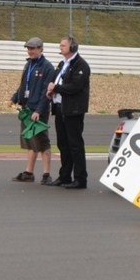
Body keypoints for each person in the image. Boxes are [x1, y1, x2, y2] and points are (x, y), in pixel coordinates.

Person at [47, 35, 92, 189]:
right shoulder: (62, 64)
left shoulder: (81, 65)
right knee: (63, 144)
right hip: (60, 108)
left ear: (72, 47)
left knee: (75, 145)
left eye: (63, 45)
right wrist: (51, 91)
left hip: (73, 110)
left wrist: (56, 88)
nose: (60, 48)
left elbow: (75, 87)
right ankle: (64, 176)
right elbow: (56, 81)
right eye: (60, 45)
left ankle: (80, 178)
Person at [8, 37, 55, 184]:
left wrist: (39, 111)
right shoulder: (28, 64)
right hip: (27, 109)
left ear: (40, 49)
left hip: (38, 111)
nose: (30, 51)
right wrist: (14, 98)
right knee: (30, 142)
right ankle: (29, 172)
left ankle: (46, 174)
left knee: (42, 143)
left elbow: (46, 93)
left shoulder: (47, 67)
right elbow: (23, 86)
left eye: (33, 48)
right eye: (28, 48)